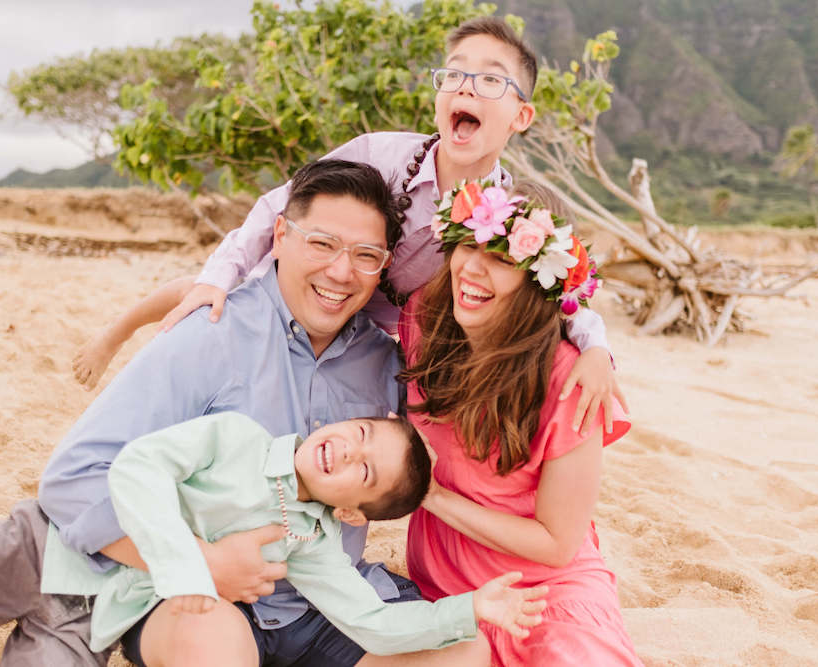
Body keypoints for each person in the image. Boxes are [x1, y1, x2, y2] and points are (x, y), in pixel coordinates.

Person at [0, 160, 493, 666]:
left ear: (386, 265)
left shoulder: (384, 363)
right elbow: (73, 481)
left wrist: (590, 341)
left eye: (366, 255)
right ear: (279, 236)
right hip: (201, 601)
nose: (342, 272)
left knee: (464, 653)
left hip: (321, 599)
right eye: (322, 243)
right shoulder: (212, 331)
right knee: (20, 563)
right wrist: (204, 565)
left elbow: (498, 322)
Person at [72, 17, 626, 442]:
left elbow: (557, 290)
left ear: (522, 117)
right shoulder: (382, 155)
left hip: (383, 327)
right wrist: (221, 273)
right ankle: (116, 332)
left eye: (489, 80)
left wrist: (596, 347)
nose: (466, 88)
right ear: (437, 96)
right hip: (317, 273)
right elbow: (278, 207)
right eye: (454, 74)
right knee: (219, 291)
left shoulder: (513, 214)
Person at [59, 411, 548, 664]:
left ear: (348, 512)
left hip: (275, 626)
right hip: (159, 599)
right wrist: (188, 563)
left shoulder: (311, 537)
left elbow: (369, 619)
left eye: (364, 471)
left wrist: (468, 609)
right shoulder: (237, 438)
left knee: (467, 652)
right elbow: (139, 466)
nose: (348, 451)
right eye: (359, 432)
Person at [397, 179, 644, 665]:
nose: (472, 268)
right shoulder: (424, 322)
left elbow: (557, 545)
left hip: (542, 595)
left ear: (538, 280)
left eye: (502, 259)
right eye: (469, 244)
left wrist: (431, 496)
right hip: (444, 596)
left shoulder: (571, 380)